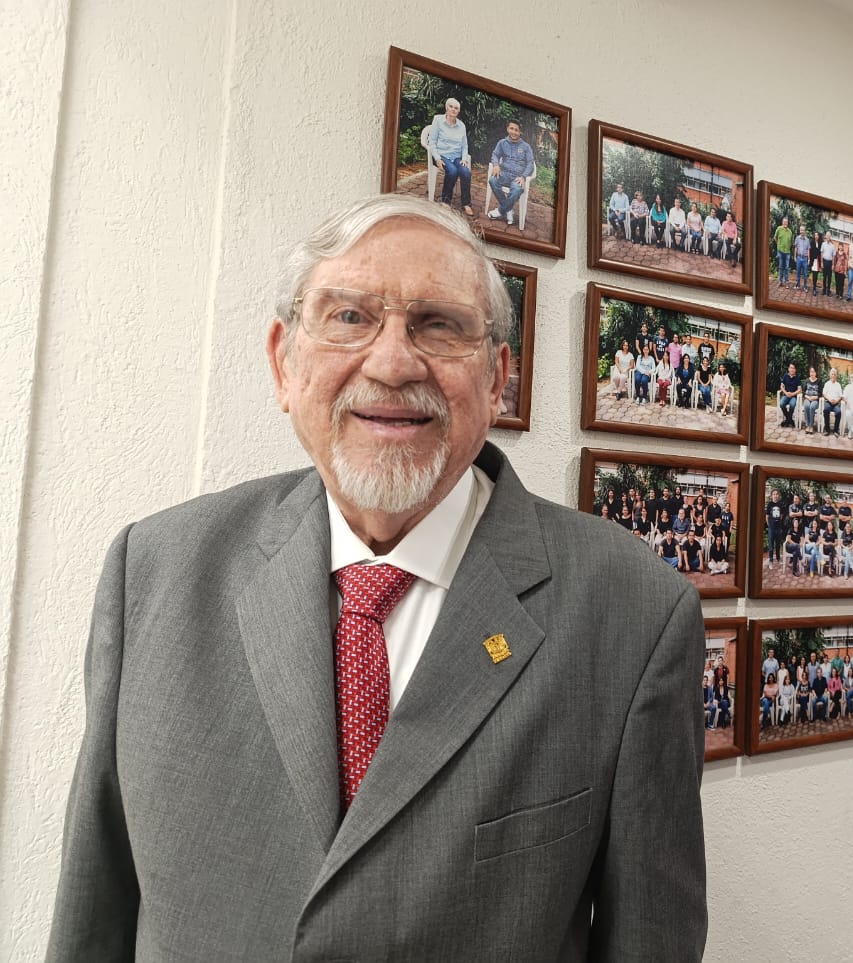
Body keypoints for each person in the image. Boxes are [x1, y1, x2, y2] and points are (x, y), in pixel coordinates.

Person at [47, 195, 707, 958]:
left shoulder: (635, 614)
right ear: (282, 363)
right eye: (350, 317)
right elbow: (92, 914)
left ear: (497, 380)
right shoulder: (152, 574)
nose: (392, 361)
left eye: (439, 324)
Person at [423, 97, 474, 216]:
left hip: (456, 156)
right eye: (451, 106)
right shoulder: (438, 120)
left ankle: (466, 203)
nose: (453, 109)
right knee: (452, 171)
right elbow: (432, 142)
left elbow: (464, 145)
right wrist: (437, 158)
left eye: (456, 108)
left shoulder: (461, 125)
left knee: (466, 172)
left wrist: (464, 159)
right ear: (446, 108)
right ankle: (445, 201)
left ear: (458, 111)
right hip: (441, 154)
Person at [486, 121, 535, 226]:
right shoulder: (502, 143)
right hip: (505, 174)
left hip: (518, 177)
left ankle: (500, 210)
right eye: (511, 128)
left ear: (520, 132)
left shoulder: (526, 147)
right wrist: (495, 165)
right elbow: (495, 155)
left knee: (517, 189)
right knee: (492, 180)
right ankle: (508, 209)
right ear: (507, 129)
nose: (514, 132)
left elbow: (530, 164)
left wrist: (523, 177)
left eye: (516, 130)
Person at [778, 361, 801, 427]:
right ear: (788, 368)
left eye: (793, 368)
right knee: (781, 404)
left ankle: (787, 420)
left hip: (793, 396)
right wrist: (786, 393)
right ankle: (790, 420)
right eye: (791, 368)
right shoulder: (785, 376)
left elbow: (799, 389)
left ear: (795, 370)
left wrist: (793, 394)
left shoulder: (797, 378)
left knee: (792, 405)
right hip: (786, 395)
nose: (792, 369)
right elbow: (781, 386)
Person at [822, 369, 843, 435]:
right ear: (830, 375)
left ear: (836, 375)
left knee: (839, 412)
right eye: (832, 374)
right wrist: (829, 399)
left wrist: (836, 400)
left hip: (836, 403)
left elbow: (840, 396)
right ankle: (827, 430)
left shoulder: (838, 385)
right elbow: (824, 394)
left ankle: (835, 430)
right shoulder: (827, 384)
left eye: (834, 374)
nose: (833, 375)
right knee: (825, 410)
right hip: (828, 401)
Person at [773, 215, 793, 286]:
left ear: (788, 223)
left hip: (787, 252)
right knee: (781, 266)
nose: (785, 223)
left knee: (787, 267)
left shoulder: (790, 232)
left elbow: (791, 241)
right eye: (784, 222)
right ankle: (780, 281)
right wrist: (778, 244)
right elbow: (775, 237)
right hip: (780, 251)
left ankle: (786, 282)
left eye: (786, 222)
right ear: (782, 222)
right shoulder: (779, 229)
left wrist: (788, 246)